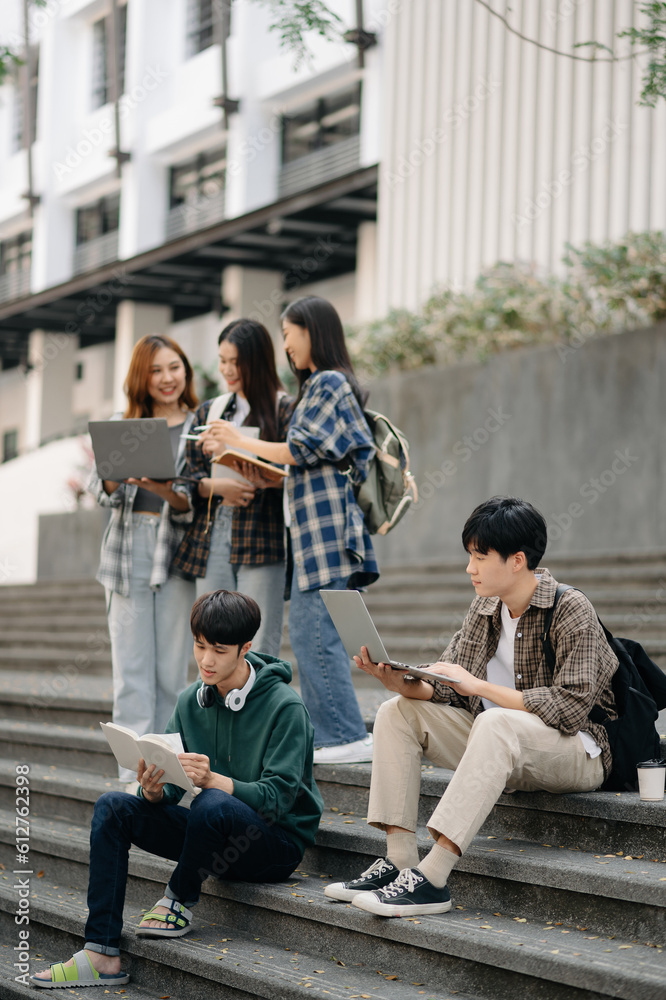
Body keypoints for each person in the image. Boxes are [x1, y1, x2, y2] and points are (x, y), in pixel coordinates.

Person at [324, 496, 618, 916]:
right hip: (501, 745)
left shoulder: (570, 608)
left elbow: (570, 708)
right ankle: (401, 863)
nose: (469, 568)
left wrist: (479, 686)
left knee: (496, 722)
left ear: (517, 561)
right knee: (394, 712)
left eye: (480, 557)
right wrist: (398, 682)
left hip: (577, 752)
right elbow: (450, 689)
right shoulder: (485, 607)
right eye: (470, 556)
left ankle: (433, 879)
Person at [31, 590, 324, 990]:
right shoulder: (191, 701)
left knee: (212, 800)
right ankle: (101, 953)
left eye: (219, 650)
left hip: (273, 846)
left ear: (246, 648)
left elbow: (280, 800)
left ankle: (177, 898)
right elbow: (173, 790)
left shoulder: (285, 707)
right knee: (113, 806)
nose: (206, 660)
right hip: (212, 836)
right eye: (200, 646)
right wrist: (153, 790)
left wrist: (214, 780)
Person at [200, 296, 378, 765]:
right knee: (311, 633)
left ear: (311, 330)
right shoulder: (321, 384)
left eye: (288, 334)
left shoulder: (328, 382)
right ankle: (337, 733)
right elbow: (309, 460)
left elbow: (299, 449)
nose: (286, 346)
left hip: (324, 535)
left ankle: (343, 736)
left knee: (314, 634)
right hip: (315, 536)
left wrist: (234, 439)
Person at [89, 334, 198, 783]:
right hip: (127, 550)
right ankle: (132, 781)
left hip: (175, 552)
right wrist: (119, 474)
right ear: (141, 377)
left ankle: (167, 778)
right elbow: (100, 491)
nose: (167, 378)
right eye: (155, 370)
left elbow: (193, 502)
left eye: (174, 367)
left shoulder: (198, 425)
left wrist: (162, 488)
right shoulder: (124, 424)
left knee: (172, 670)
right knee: (131, 671)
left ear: (186, 370)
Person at [172, 319, 292, 657]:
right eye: (222, 360)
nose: (227, 370)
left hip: (263, 534)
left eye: (236, 362)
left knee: (259, 642)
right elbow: (185, 479)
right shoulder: (210, 410)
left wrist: (261, 473)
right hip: (215, 533)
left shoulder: (285, 408)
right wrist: (218, 486)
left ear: (257, 361)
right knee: (211, 637)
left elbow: (296, 470)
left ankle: (258, 695)